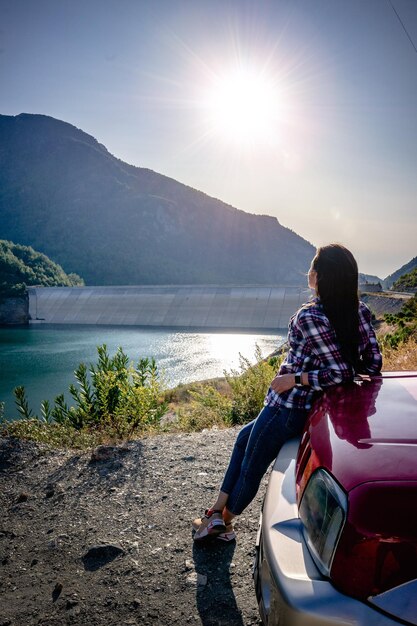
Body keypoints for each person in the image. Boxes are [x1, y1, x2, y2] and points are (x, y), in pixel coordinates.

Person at [192, 243, 382, 542]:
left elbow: (340, 372)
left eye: (312, 268)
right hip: (307, 406)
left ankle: (223, 525)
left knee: (252, 467)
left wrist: (296, 378)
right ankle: (215, 509)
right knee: (244, 440)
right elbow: (372, 363)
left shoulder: (310, 317)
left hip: (287, 408)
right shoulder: (359, 311)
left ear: (317, 277)